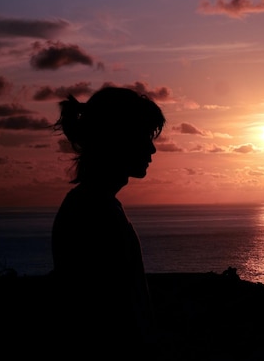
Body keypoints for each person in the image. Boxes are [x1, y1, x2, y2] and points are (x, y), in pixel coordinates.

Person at [51, 86, 165, 354]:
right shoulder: (94, 213)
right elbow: (110, 316)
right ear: (117, 138)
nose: (152, 148)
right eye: (143, 136)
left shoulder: (95, 206)